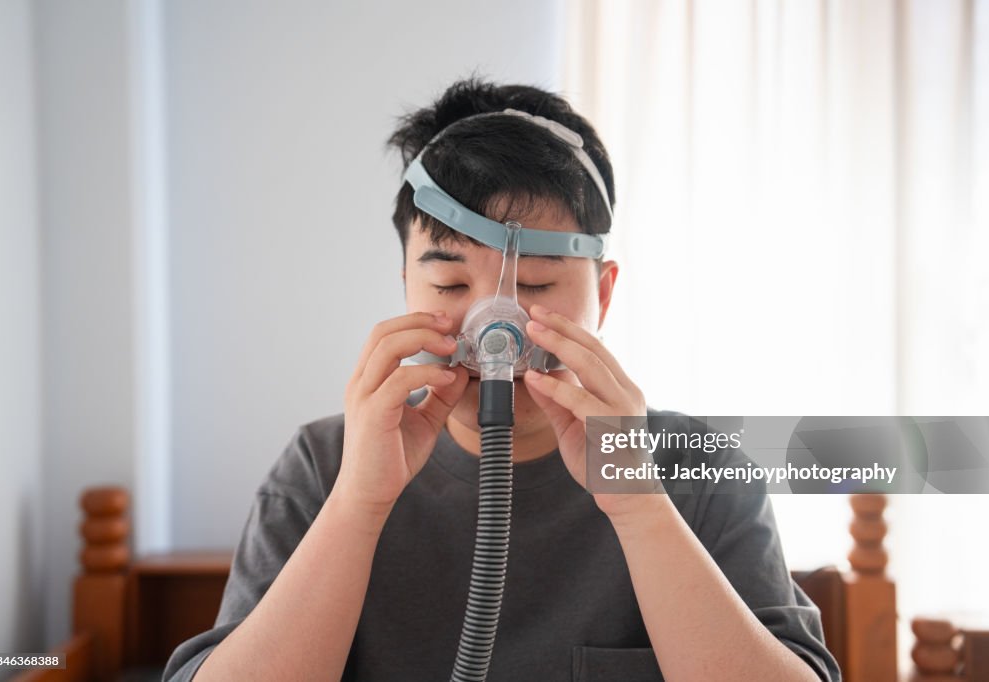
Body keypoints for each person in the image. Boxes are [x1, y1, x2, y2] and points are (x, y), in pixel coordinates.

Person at [162, 77, 840, 681]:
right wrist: (359, 507)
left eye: (539, 284)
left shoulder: (703, 472)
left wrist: (638, 505)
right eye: (452, 282)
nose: (497, 329)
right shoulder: (322, 468)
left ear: (603, 294)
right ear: (406, 287)